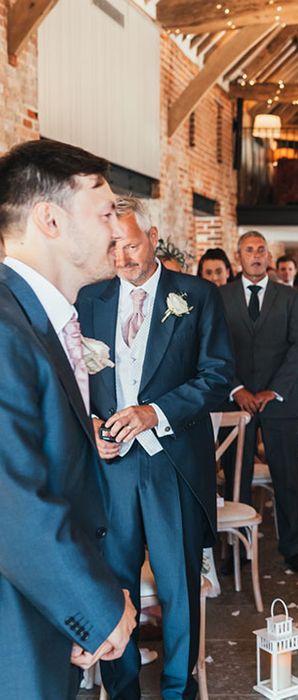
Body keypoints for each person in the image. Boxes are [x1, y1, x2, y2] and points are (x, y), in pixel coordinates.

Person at [77, 196, 234, 699]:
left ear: (152, 236)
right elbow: (75, 378)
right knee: (114, 584)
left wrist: (154, 412)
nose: (122, 257)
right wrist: (92, 424)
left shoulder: (197, 295)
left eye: (130, 244)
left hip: (172, 462)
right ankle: (121, 691)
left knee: (177, 587)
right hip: (112, 468)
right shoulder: (89, 300)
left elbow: (217, 376)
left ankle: (177, 690)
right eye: (112, 247)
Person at [0, 140, 135, 698]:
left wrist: (77, 608)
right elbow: (11, 501)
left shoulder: (40, 321)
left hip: (41, 611)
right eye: (104, 212)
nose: (118, 229)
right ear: (49, 219)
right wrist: (96, 608)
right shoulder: (6, 331)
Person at [219, 231, 298, 575]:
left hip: (280, 402)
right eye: (249, 250)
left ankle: (292, 549)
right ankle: (238, 551)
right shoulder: (221, 296)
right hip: (236, 402)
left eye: (260, 250)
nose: (255, 255)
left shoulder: (289, 297)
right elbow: (216, 348)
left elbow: (297, 346)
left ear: (268, 256)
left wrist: (274, 390)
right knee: (236, 479)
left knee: (286, 478)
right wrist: (237, 388)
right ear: (238, 256)